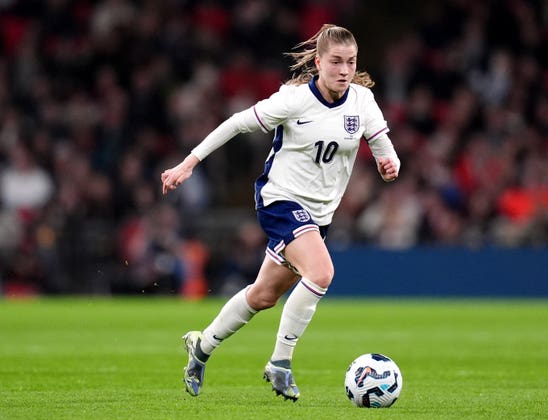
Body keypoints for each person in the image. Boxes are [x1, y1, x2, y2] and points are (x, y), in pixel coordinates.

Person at [161, 24, 400, 401]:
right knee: (321, 273)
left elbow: (384, 145)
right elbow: (236, 123)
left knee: (263, 296)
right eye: (335, 62)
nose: (343, 70)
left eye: (350, 62)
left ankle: (201, 346)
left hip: (319, 216)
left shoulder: (361, 101)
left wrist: (390, 162)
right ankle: (280, 363)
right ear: (319, 62)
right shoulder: (293, 100)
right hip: (280, 201)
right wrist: (188, 164)